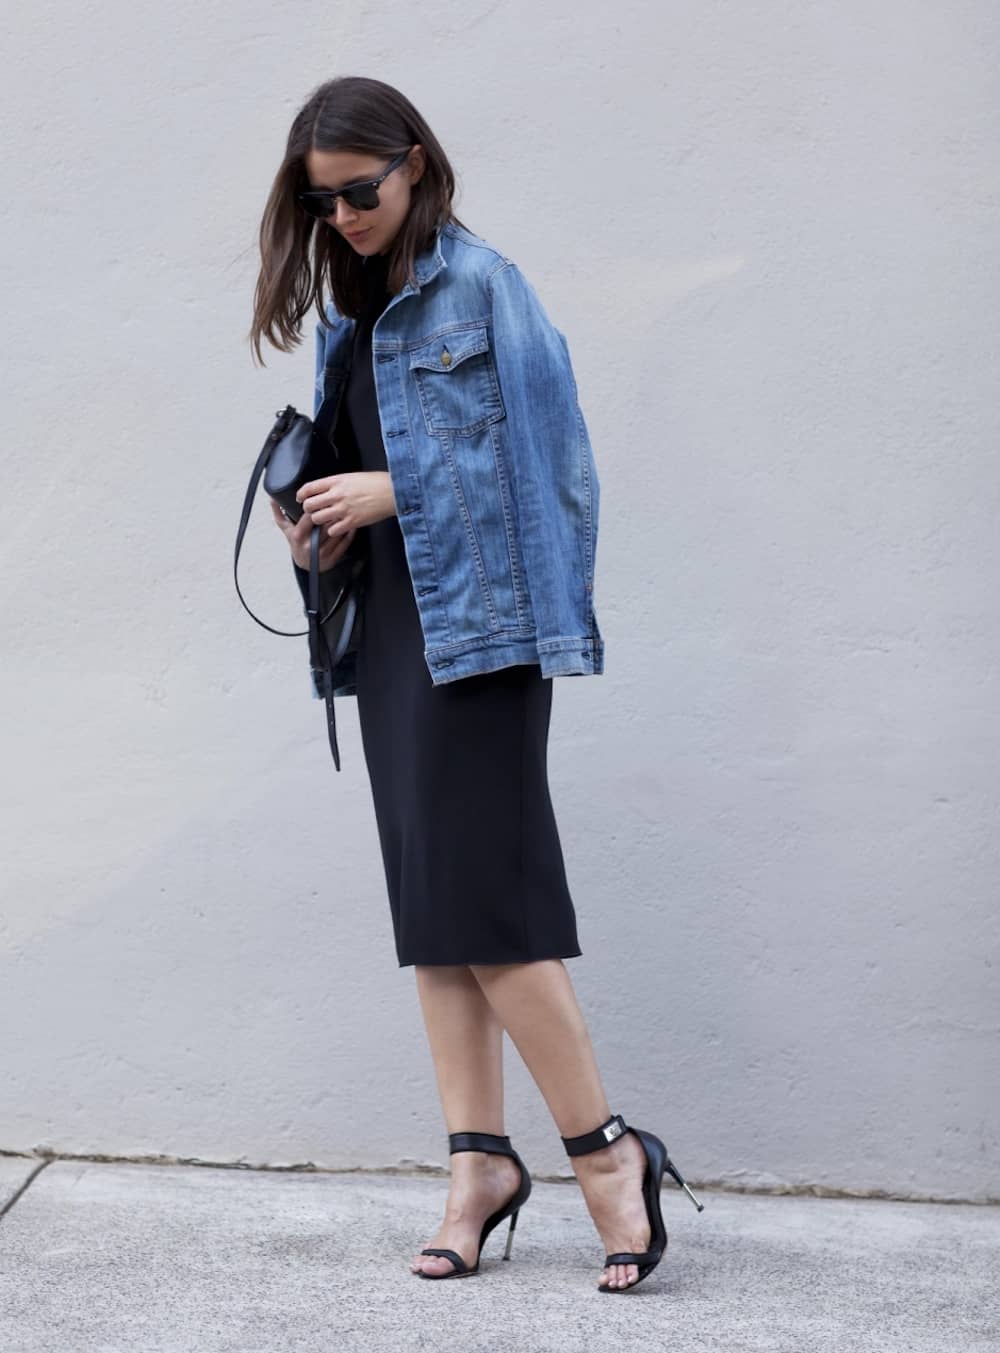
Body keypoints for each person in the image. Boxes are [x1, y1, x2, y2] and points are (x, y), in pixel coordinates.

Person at [248, 74, 703, 1292]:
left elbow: (557, 472)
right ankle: (476, 1167)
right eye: (320, 203)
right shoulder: (355, 304)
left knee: (493, 914)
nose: (340, 217)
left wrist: (398, 494)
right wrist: (322, 525)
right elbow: (359, 466)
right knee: (438, 922)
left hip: (480, 634)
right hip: (392, 630)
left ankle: (609, 1157)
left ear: (414, 162)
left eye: (359, 193)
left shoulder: (485, 287)